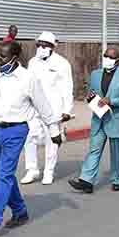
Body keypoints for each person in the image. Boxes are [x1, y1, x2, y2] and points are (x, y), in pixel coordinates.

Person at [0, 40, 61, 237]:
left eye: (2, 56)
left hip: (15, 130)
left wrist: (54, 129)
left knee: (4, 176)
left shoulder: (27, 78)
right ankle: (20, 211)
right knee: (4, 174)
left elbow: (43, 105)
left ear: (14, 58)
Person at [69, 45, 119, 191]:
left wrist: (111, 101)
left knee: (117, 152)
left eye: (111, 57)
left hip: (116, 119)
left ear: (118, 60)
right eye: (105, 56)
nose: (107, 59)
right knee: (94, 149)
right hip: (98, 118)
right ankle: (86, 180)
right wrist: (91, 99)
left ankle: (117, 179)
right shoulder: (95, 74)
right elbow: (91, 92)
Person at [22, 31, 73, 185]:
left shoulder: (62, 63)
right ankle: (32, 169)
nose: (42, 48)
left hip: (53, 108)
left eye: (45, 45)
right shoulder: (32, 62)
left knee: (52, 141)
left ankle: (49, 171)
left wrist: (67, 110)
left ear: (52, 47)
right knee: (29, 137)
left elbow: (67, 87)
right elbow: (27, 85)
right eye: (39, 45)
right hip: (34, 109)